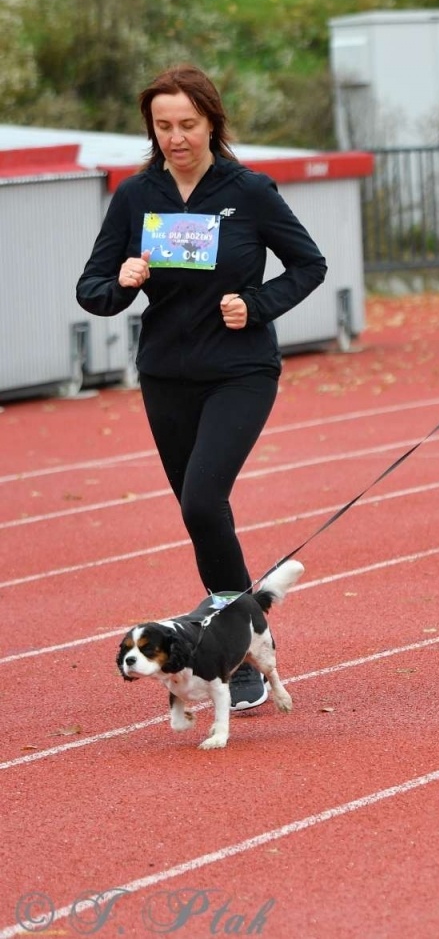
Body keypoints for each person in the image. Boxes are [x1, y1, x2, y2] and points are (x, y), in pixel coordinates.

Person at [76, 64, 327, 710]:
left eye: (188, 124)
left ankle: (235, 651)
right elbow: (93, 290)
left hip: (240, 370)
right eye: (163, 126)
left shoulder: (250, 191)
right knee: (203, 515)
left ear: (213, 122)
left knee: (201, 501)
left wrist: (258, 304)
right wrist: (123, 280)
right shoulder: (136, 196)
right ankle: (247, 634)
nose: (176, 137)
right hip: (166, 374)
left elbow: (309, 264)